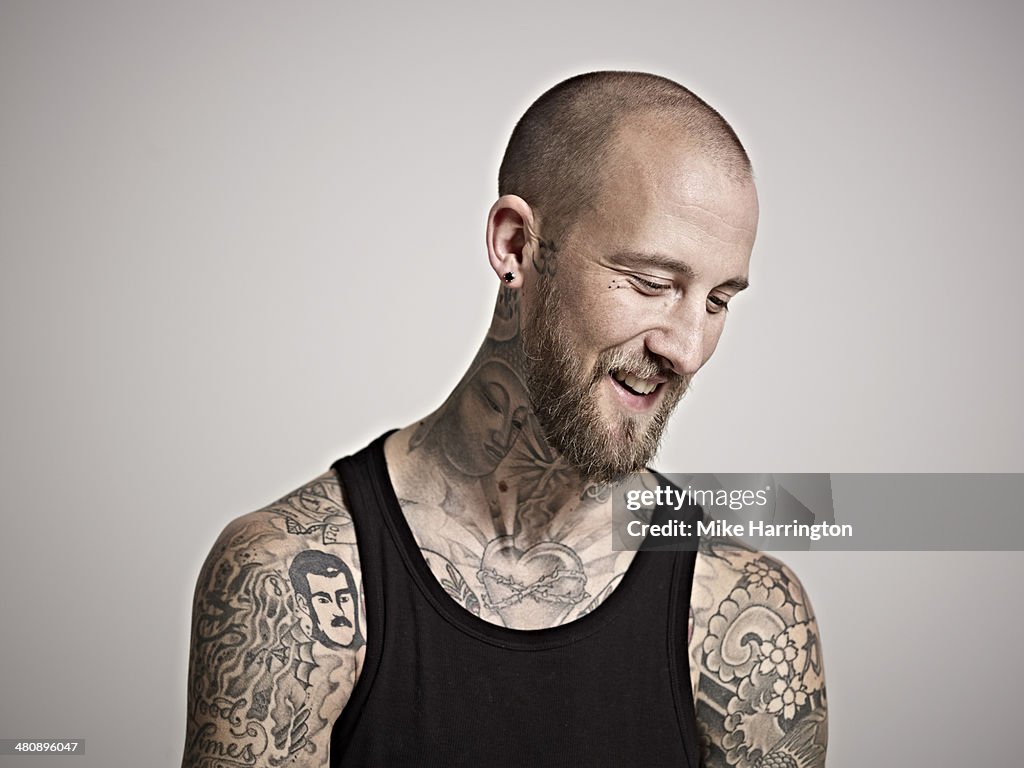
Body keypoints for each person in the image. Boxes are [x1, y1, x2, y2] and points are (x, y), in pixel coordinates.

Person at [182, 71, 827, 767]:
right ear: (516, 245)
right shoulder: (291, 583)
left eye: (718, 300)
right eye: (650, 283)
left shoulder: (748, 611)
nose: (687, 348)